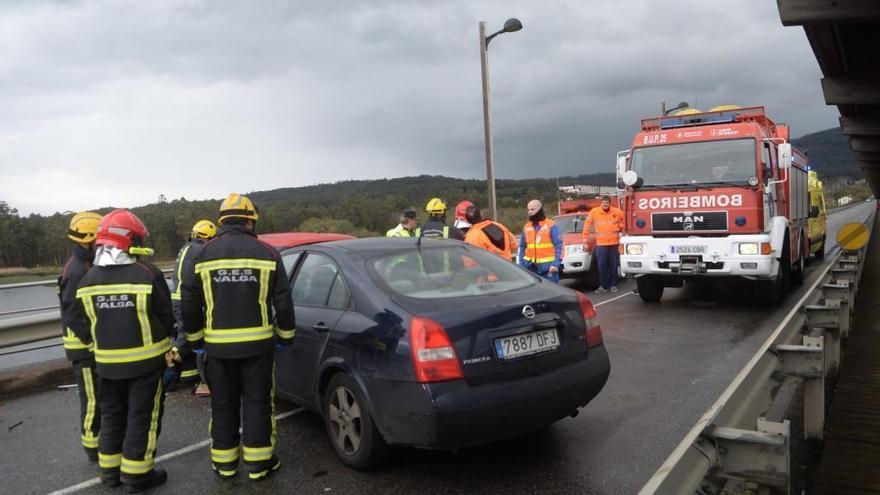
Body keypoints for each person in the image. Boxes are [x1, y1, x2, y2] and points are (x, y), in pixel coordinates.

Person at [181, 193, 295, 482]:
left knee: (222, 404)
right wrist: (285, 336)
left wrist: (195, 341)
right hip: (258, 347)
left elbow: (190, 302)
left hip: (217, 349)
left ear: (222, 221)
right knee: (258, 404)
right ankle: (259, 465)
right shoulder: (268, 253)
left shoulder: (202, 254)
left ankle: (225, 465)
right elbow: (283, 300)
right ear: (250, 220)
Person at [71, 209, 173, 492]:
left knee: (113, 416)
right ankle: (137, 476)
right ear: (129, 239)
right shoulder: (147, 273)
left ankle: (110, 473)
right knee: (142, 417)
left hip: (105, 365)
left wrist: (100, 345)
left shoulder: (88, 280)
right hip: (145, 365)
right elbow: (166, 317)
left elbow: (78, 322)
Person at [57, 211, 102, 462]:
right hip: (84, 349)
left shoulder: (84, 263)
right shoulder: (77, 270)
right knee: (92, 399)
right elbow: (75, 313)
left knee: (99, 397)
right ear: (88, 238)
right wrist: (91, 340)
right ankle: (92, 447)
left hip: (89, 346)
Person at [168, 219, 217, 394]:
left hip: (176, 297)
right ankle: (169, 364)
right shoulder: (200, 250)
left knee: (186, 336)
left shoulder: (186, 248)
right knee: (188, 337)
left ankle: (187, 376)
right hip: (186, 300)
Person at [583, 195, 624, 293]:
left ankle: (613, 285)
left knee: (614, 265)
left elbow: (625, 222)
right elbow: (587, 224)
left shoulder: (617, 211)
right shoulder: (595, 212)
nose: (605, 205)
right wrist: (585, 239)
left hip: (614, 243)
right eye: (603, 203)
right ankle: (603, 285)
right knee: (601, 265)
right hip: (601, 244)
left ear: (610, 203)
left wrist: (621, 227)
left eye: (607, 203)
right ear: (601, 203)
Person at [518, 199, 563, 282]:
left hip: (548, 270)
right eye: (528, 210)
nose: (530, 212)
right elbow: (522, 247)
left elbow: (559, 245)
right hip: (530, 269)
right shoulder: (527, 227)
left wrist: (555, 264)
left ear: (539, 210)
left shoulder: (551, 225)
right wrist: (521, 264)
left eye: (532, 209)